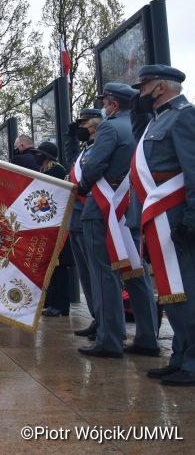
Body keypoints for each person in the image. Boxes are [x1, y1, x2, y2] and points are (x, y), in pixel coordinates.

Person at [76, 82, 159, 359]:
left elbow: (95, 166)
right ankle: (148, 337)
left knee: (104, 274)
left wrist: (82, 186)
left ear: (112, 105)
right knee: (136, 272)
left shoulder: (109, 128)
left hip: (103, 209)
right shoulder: (141, 126)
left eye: (105, 102)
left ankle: (110, 339)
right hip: (132, 208)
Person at [131, 65, 195, 385]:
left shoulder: (184, 116)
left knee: (185, 290)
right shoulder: (156, 121)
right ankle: (181, 356)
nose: (138, 94)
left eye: (142, 88)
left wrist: (191, 218)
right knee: (171, 291)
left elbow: (192, 169)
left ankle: (193, 362)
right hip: (160, 215)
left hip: (176, 214)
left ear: (159, 88)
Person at [67, 108, 103, 339]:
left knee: (97, 274)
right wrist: (70, 139)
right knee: (87, 277)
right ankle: (97, 318)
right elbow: (72, 165)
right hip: (77, 216)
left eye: (83, 123)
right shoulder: (85, 151)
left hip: (92, 212)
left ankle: (106, 322)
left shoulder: (102, 146)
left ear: (95, 124)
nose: (80, 126)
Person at [32, 141, 73, 317]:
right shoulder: (45, 170)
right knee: (53, 268)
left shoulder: (55, 171)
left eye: (39, 153)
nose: (36, 156)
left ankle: (61, 305)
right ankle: (53, 302)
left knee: (60, 268)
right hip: (49, 224)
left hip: (58, 225)